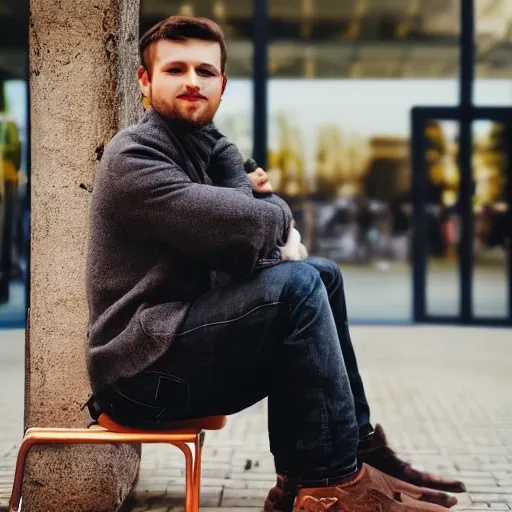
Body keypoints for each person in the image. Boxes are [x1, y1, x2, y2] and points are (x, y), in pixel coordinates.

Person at [85, 16, 465, 512]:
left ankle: (342, 458)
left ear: (223, 84)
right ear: (144, 80)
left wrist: (247, 201)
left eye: (206, 71)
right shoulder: (135, 156)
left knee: (320, 276)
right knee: (296, 287)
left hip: (178, 349)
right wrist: (265, 205)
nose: (192, 82)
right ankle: (330, 485)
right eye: (175, 69)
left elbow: (246, 240)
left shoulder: (203, 152)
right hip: (138, 374)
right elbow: (253, 229)